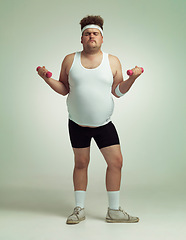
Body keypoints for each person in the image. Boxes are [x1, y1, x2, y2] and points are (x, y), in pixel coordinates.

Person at [37, 15, 143, 224]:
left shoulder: (112, 61)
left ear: (102, 38)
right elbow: (64, 89)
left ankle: (114, 210)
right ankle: (79, 209)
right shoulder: (70, 59)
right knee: (81, 163)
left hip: (104, 124)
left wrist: (132, 78)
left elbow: (118, 92)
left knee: (116, 162)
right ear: (82, 39)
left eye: (95, 33)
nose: (91, 36)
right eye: (87, 33)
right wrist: (47, 78)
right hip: (77, 123)